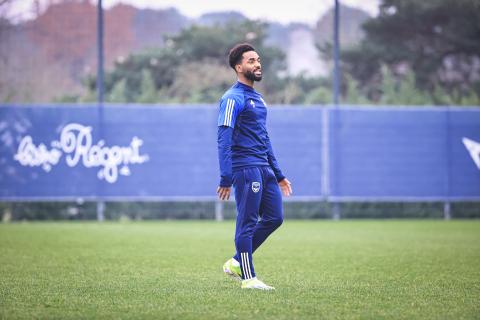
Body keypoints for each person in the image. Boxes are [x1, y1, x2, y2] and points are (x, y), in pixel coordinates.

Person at [216, 43, 292, 290]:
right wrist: (226, 176)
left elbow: (264, 137)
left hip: (265, 169)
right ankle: (248, 279)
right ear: (239, 67)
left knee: (274, 218)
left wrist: (279, 174)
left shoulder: (259, 100)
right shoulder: (231, 99)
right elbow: (223, 138)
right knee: (247, 221)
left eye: (258, 60)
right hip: (245, 168)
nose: (257, 64)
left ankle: (238, 261)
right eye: (251, 61)